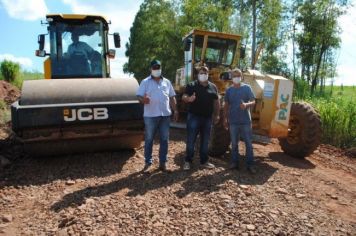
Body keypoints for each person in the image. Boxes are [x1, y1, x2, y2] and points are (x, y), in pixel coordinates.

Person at [136, 60, 178, 172]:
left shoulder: (167, 82)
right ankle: (147, 163)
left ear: (161, 68)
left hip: (165, 115)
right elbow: (139, 96)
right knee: (149, 139)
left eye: (158, 67)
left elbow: (172, 97)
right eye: (154, 67)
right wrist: (143, 100)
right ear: (150, 69)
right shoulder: (145, 82)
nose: (156, 69)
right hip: (150, 116)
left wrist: (176, 110)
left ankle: (163, 164)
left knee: (164, 140)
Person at [182, 66, 220, 170]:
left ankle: (204, 161)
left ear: (208, 74)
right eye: (201, 73)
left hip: (207, 118)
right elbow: (184, 97)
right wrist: (189, 99)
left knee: (205, 141)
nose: (203, 75)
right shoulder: (191, 85)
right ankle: (188, 161)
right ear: (198, 74)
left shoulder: (213, 87)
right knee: (191, 140)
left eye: (205, 73)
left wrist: (217, 115)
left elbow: (216, 102)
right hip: (194, 117)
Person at [223, 68, 256, 174]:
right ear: (231, 77)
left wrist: (246, 105)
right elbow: (226, 105)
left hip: (246, 121)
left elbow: (253, 101)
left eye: (238, 75)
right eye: (234, 76)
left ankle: (250, 165)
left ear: (241, 77)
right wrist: (224, 118)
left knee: (249, 144)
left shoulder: (247, 88)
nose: (236, 78)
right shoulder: (229, 90)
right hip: (233, 121)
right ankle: (234, 163)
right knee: (234, 144)